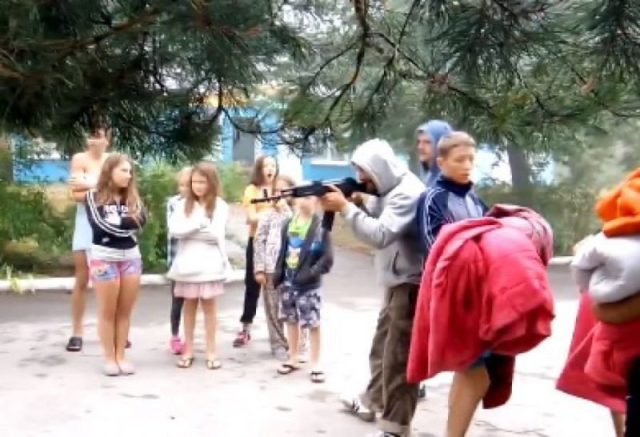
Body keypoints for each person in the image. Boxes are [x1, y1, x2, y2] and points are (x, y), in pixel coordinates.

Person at [321, 139, 425, 437]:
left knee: (399, 360)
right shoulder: (389, 187)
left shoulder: (407, 192)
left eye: (364, 172)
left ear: (379, 169)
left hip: (410, 284)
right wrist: (360, 203)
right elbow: (381, 215)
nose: (361, 178)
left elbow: (380, 234)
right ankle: (373, 401)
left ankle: (396, 428)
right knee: (382, 350)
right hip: (396, 280)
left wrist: (345, 208)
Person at [415, 132, 488, 437]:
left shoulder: (475, 199)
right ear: (441, 162)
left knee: (468, 371)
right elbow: (434, 249)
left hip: (479, 297)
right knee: (477, 374)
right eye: (460, 160)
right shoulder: (432, 198)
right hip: (453, 297)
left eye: (471, 159)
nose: (467, 165)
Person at [85, 153, 147, 376]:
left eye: (130, 171)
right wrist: (126, 223)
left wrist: (120, 222)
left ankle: (121, 355)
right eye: (123, 170)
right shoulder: (93, 196)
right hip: (104, 257)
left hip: (131, 257)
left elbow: (141, 221)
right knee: (107, 311)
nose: (128, 175)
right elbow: (100, 226)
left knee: (124, 311)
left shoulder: (133, 198)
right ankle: (109, 357)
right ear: (109, 171)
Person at [167, 162, 230, 370]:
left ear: (211, 182)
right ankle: (189, 350)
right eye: (195, 182)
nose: (198, 186)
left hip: (210, 265)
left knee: (210, 310)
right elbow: (175, 230)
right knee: (189, 308)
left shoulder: (220, 205)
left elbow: (215, 234)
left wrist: (191, 231)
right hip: (187, 265)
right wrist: (198, 225)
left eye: (202, 182)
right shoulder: (182, 205)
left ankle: (212, 351)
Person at [273, 194, 333, 382]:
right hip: (288, 282)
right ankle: (293, 357)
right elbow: (282, 251)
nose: (305, 200)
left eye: (309, 197)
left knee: (312, 323)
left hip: (309, 285)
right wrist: (278, 273)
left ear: (316, 200)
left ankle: (316, 363)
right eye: (301, 197)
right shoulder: (288, 224)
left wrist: (311, 273)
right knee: (290, 320)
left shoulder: (320, 227)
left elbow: (327, 259)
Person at [66, 128, 111, 352]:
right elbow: (75, 195)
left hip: (109, 222)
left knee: (109, 279)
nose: (94, 140)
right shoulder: (79, 159)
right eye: (90, 135)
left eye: (98, 135)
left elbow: (118, 192)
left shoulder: (113, 160)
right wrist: (102, 187)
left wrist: (89, 184)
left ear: (107, 138)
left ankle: (112, 329)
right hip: (85, 222)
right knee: (82, 278)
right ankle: (77, 331)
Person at [234, 155, 278, 347]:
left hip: (277, 243)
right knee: (252, 285)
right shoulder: (252, 190)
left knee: (277, 287)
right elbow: (251, 217)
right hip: (257, 241)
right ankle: (245, 328)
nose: (270, 169)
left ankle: (278, 333)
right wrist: (272, 213)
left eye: (273, 165)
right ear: (259, 169)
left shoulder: (280, 189)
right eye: (266, 166)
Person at [254, 175, 296, 360]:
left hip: (292, 270)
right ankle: (278, 343)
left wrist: (285, 210)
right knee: (273, 309)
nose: (279, 194)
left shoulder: (296, 214)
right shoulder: (267, 215)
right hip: (271, 269)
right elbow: (259, 241)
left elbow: (295, 230)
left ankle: (297, 344)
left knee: (293, 308)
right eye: (276, 190)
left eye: (283, 190)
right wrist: (259, 268)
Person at [166, 167, 192, 355]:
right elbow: (174, 230)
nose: (184, 189)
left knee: (193, 301)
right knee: (177, 300)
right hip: (177, 259)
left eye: (188, 185)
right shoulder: (174, 203)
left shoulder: (202, 203)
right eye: (181, 185)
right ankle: (174, 336)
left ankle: (190, 336)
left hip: (196, 261)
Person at [415, 120, 452, 186]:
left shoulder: (448, 182)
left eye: (427, 142)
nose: (420, 147)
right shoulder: (430, 177)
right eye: (419, 141)